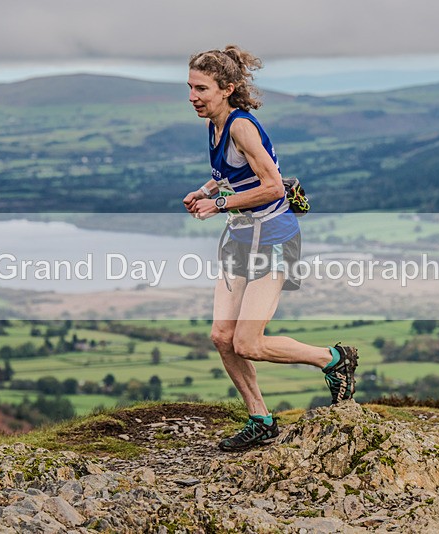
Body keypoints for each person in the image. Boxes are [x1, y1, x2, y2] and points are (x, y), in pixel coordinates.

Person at [183, 45, 358, 452]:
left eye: (201, 89)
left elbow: (274, 185)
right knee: (222, 336)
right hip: (241, 239)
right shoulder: (214, 122)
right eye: (190, 87)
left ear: (226, 88)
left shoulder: (241, 125)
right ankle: (261, 419)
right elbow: (230, 170)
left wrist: (219, 203)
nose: (192, 96)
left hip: (273, 240)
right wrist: (207, 189)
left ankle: (333, 359)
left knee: (248, 342)